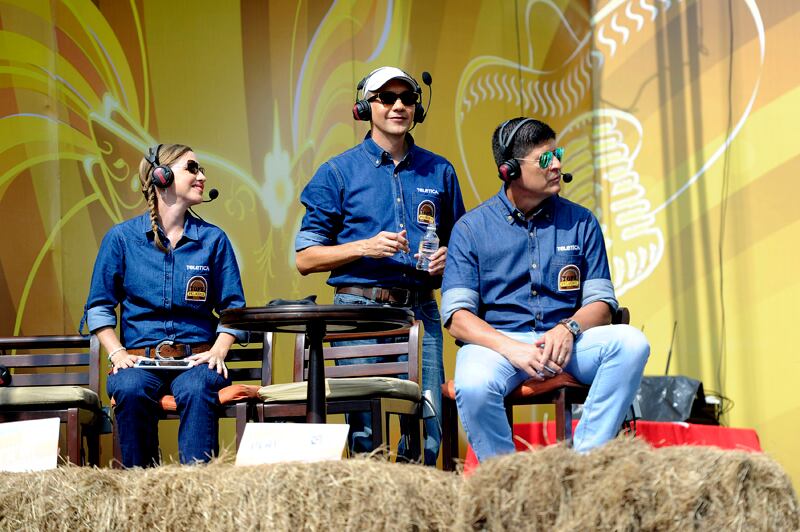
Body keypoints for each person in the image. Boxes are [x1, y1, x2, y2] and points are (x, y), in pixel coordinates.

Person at [441, 117, 650, 462]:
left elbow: (602, 304)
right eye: (545, 159)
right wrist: (512, 349)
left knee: (632, 344)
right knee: (474, 386)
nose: (557, 165)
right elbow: (457, 317)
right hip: (499, 345)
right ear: (509, 170)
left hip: (567, 342)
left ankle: (582, 465)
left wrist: (569, 328)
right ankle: (508, 481)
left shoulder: (582, 221)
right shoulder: (470, 228)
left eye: (558, 154)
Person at [295, 66, 466, 465]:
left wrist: (448, 259)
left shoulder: (440, 170)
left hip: (420, 310)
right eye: (386, 98)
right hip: (359, 312)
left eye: (407, 98)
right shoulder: (337, 172)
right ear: (365, 108)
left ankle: (416, 499)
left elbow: (461, 249)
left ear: (417, 108)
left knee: (427, 428)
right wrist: (365, 247)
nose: (398, 106)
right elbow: (305, 258)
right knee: (365, 432)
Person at [82, 143, 247, 467]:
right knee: (129, 387)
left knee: (198, 387)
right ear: (162, 176)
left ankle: (198, 488)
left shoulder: (214, 239)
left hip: (196, 361)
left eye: (201, 169)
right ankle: (141, 487)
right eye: (192, 168)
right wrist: (117, 353)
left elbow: (234, 309)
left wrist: (218, 351)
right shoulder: (121, 239)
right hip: (140, 362)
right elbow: (99, 307)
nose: (202, 176)